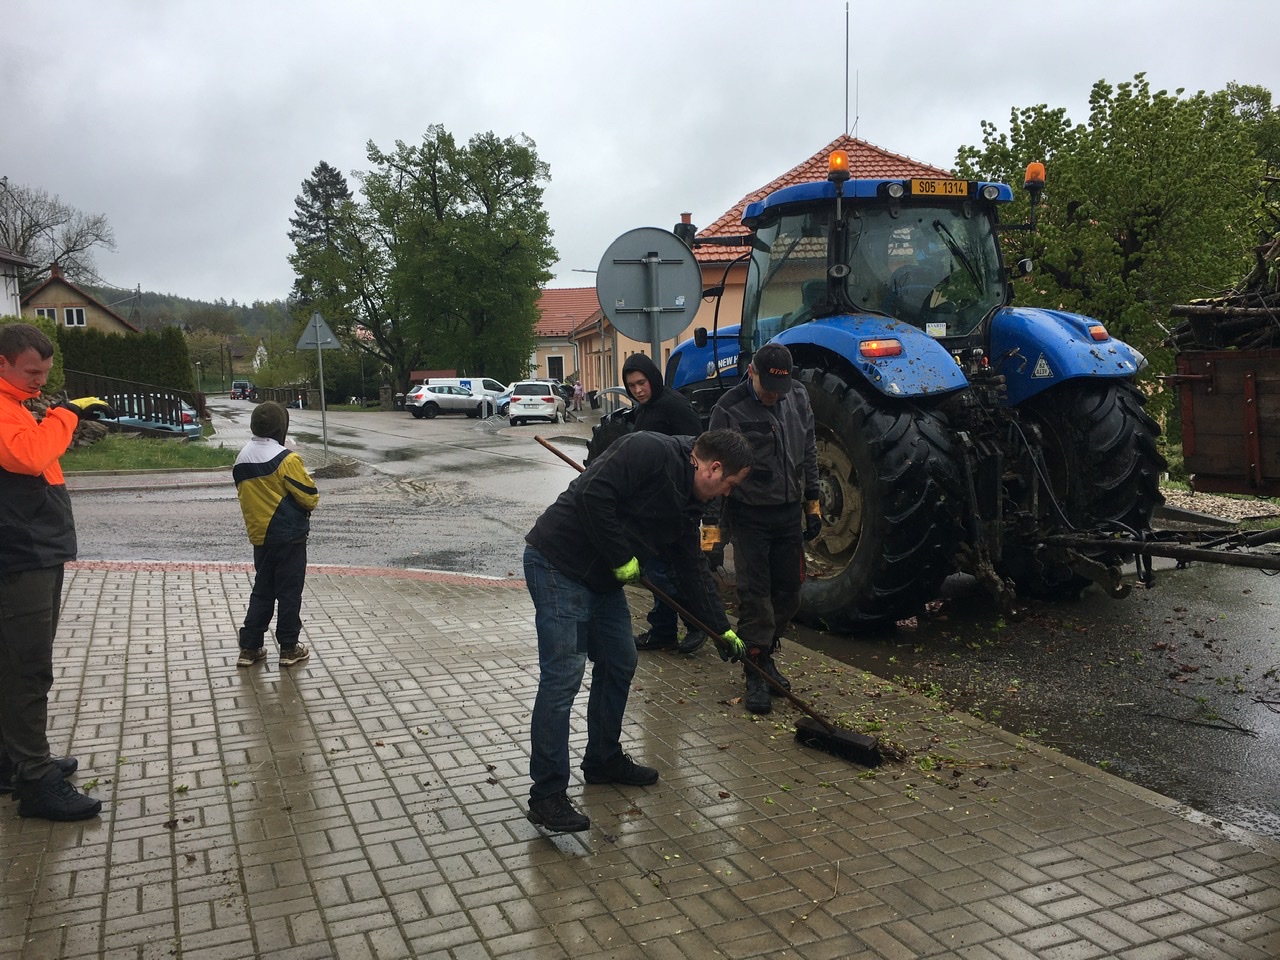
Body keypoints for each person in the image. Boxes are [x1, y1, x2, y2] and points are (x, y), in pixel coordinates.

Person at [523, 429, 752, 833]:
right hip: (559, 566)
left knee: (619, 661)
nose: (727, 494)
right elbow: (593, 494)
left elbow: (691, 567)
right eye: (730, 484)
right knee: (563, 677)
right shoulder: (648, 450)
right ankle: (547, 795)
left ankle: (602, 758)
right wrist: (620, 557)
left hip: (601, 581)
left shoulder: (689, 503)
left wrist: (721, 629)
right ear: (714, 468)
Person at [0, 322, 113, 821]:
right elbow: (29, 456)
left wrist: (48, 413)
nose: (40, 382)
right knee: (27, 667)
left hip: (32, 549)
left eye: (44, 373)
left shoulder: (17, 404)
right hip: (19, 555)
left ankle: (13, 762)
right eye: (31, 372)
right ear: (1, 363)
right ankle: (36, 779)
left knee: (16, 663)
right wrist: (65, 417)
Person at [708, 342, 821, 715]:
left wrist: (813, 504)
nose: (774, 397)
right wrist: (711, 537)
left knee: (789, 594)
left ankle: (764, 653)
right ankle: (754, 671)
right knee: (756, 598)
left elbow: (808, 451)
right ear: (752, 372)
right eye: (768, 389)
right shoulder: (728, 408)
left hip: (788, 514)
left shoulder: (798, 397)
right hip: (750, 516)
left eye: (781, 390)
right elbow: (711, 473)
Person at [620, 353, 713, 655]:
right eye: (631, 385)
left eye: (641, 383)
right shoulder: (646, 410)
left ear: (653, 378)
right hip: (651, 508)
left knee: (666, 571)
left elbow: (699, 454)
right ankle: (662, 629)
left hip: (677, 506)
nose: (637, 390)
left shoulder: (674, 406)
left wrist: (700, 509)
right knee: (655, 569)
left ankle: (696, 621)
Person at [234, 401, 320, 668]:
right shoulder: (286, 459)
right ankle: (289, 647)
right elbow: (309, 498)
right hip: (288, 536)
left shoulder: (241, 458)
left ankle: (249, 648)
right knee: (289, 592)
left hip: (260, 537)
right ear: (281, 427)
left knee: (262, 590)